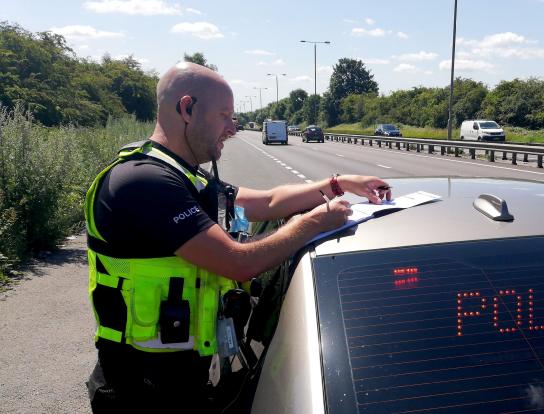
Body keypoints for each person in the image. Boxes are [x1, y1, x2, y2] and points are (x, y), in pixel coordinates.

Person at [85, 62, 391, 412]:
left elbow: (268, 202)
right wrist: (315, 222)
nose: (233, 128)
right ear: (187, 109)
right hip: (140, 388)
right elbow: (237, 262)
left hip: (179, 378)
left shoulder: (184, 176)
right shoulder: (144, 181)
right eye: (225, 115)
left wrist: (338, 184)